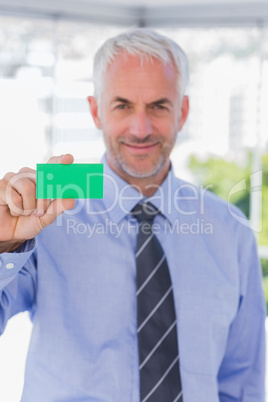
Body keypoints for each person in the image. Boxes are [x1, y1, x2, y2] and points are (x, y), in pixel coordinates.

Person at [0, 28, 266, 402]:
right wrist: (4, 243)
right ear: (95, 111)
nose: (140, 129)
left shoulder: (231, 232)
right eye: (122, 105)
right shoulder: (48, 210)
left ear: (183, 111)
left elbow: (242, 384)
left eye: (159, 106)